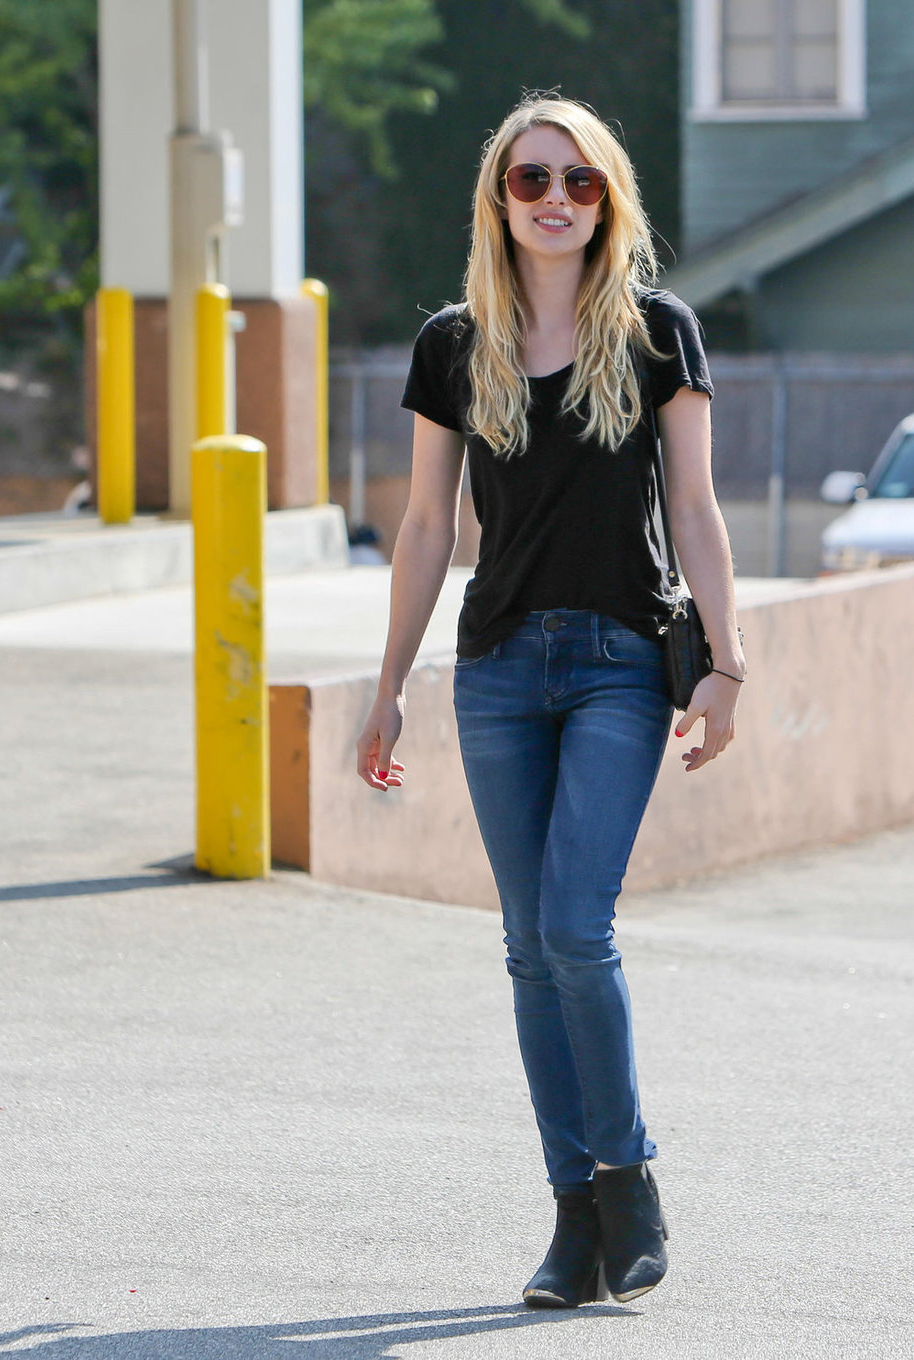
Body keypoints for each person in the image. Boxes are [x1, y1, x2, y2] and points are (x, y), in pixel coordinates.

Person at [355, 94, 746, 1307]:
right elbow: (428, 525)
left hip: (623, 659)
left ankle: (628, 1175)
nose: (557, 199)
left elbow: (695, 508)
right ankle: (575, 1219)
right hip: (499, 670)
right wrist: (387, 688)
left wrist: (727, 663)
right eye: (532, 179)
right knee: (529, 951)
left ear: (608, 198)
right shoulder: (452, 345)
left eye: (580, 181)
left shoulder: (657, 332)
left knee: (577, 926)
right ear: (500, 199)